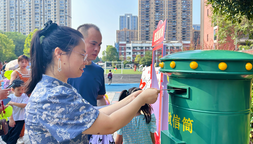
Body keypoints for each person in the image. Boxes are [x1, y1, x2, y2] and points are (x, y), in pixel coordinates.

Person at [25, 20, 159, 143]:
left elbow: (94, 113)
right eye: (81, 54)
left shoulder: (56, 89)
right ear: (59, 54)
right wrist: (141, 100)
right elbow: (109, 125)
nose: (85, 60)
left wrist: (130, 99)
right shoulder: (54, 94)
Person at [68, 24, 106, 106]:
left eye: (99, 45)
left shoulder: (99, 71)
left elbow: (99, 97)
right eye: (93, 44)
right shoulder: (64, 69)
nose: (97, 49)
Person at [2, 79, 29, 144]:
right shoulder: (8, 96)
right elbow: (6, 108)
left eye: (22, 89)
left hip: (20, 119)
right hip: (9, 119)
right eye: (18, 89)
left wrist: (12, 103)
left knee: (15, 135)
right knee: (5, 135)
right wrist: (11, 119)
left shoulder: (24, 96)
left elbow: (24, 105)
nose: (21, 91)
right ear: (13, 89)